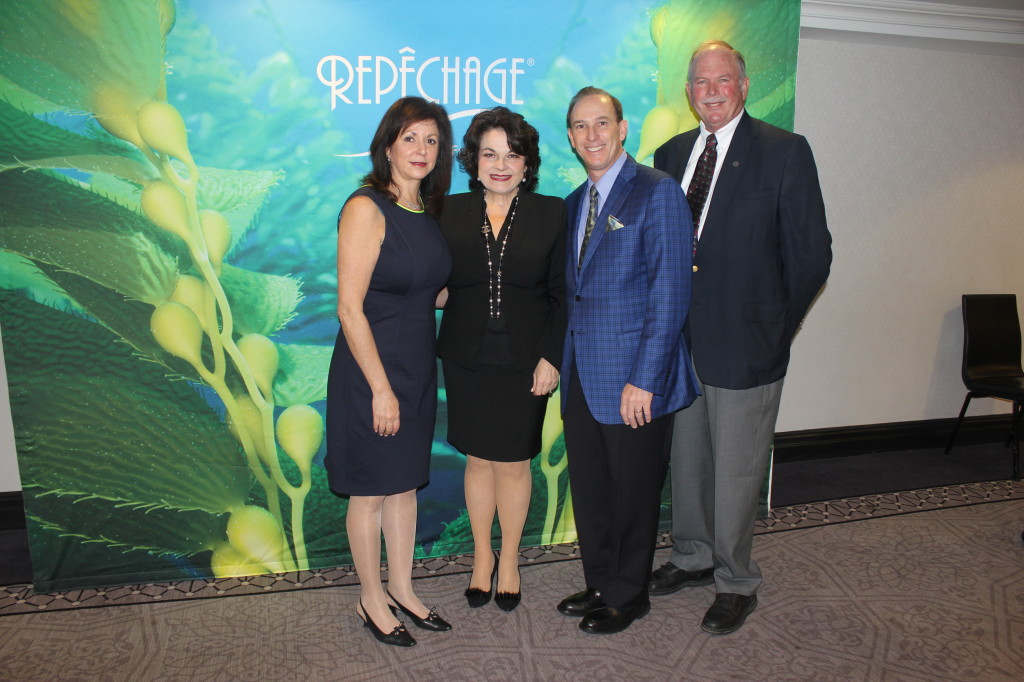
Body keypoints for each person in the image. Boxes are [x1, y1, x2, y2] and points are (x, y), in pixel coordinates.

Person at [650, 40, 832, 635]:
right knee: (689, 462)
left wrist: (776, 327)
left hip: (747, 343)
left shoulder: (784, 152)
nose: (712, 91)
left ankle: (735, 578)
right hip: (682, 345)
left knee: (735, 471)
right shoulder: (670, 153)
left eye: (722, 79)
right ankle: (693, 556)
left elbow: (811, 256)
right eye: (700, 82)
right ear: (688, 91)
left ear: (744, 84)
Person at [556, 86, 699, 635]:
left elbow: (671, 294)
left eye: (601, 123)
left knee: (633, 493)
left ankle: (629, 593)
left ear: (621, 128)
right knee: (592, 491)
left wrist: (646, 378)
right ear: (570, 137)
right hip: (582, 379)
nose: (590, 135)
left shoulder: (657, 192)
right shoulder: (573, 204)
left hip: (637, 380)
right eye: (579, 126)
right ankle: (600, 582)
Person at [325, 96, 454, 648]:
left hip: (418, 368)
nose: (422, 150)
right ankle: (370, 598)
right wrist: (380, 388)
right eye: (411, 138)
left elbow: (432, 290)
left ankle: (403, 588)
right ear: (387, 145)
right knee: (372, 492)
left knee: (404, 486)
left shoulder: (428, 211)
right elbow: (349, 308)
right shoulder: (365, 207)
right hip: (370, 372)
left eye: (431, 140)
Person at [437, 108, 566, 612]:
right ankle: (481, 558)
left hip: (526, 360)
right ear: (473, 160)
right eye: (489, 154)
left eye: (512, 155)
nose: (500, 164)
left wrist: (551, 357)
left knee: (513, 463)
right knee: (477, 460)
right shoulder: (446, 211)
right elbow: (434, 279)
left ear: (528, 163)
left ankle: (510, 559)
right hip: (466, 357)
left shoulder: (553, 212)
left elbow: (562, 294)